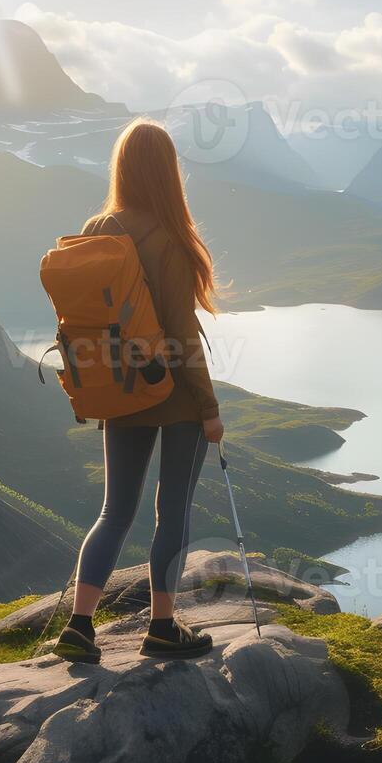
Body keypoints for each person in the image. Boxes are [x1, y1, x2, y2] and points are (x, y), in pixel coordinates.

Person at [54, 119, 223, 664]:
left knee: (114, 511)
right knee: (172, 513)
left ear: (121, 167)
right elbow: (179, 333)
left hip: (119, 391)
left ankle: (80, 627)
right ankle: (163, 628)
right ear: (168, 172)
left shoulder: (98, 225)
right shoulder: (172, 237)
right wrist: (209, 408)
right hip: (172, 395)